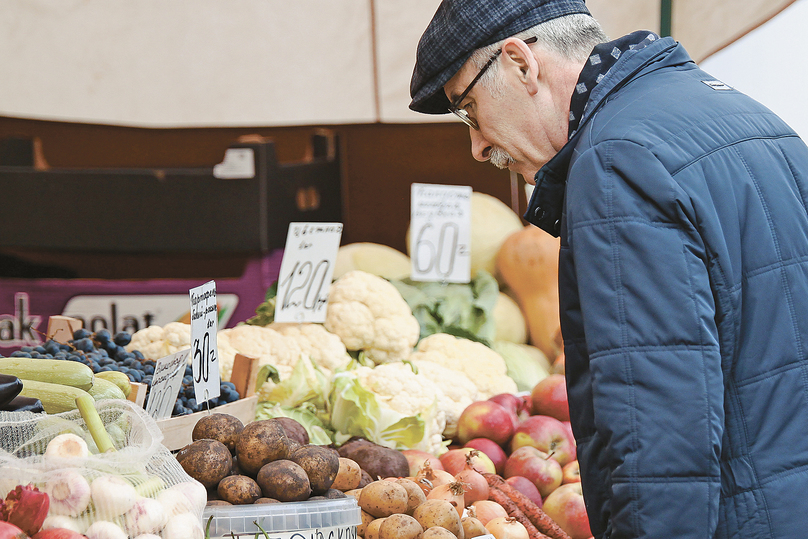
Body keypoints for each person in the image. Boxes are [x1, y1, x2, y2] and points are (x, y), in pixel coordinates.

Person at [409, 1, 808, 538]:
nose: (478, 146)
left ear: (520, 63)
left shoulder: (616, 159)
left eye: (469, 109)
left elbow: (660, 434)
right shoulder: (755, 118)